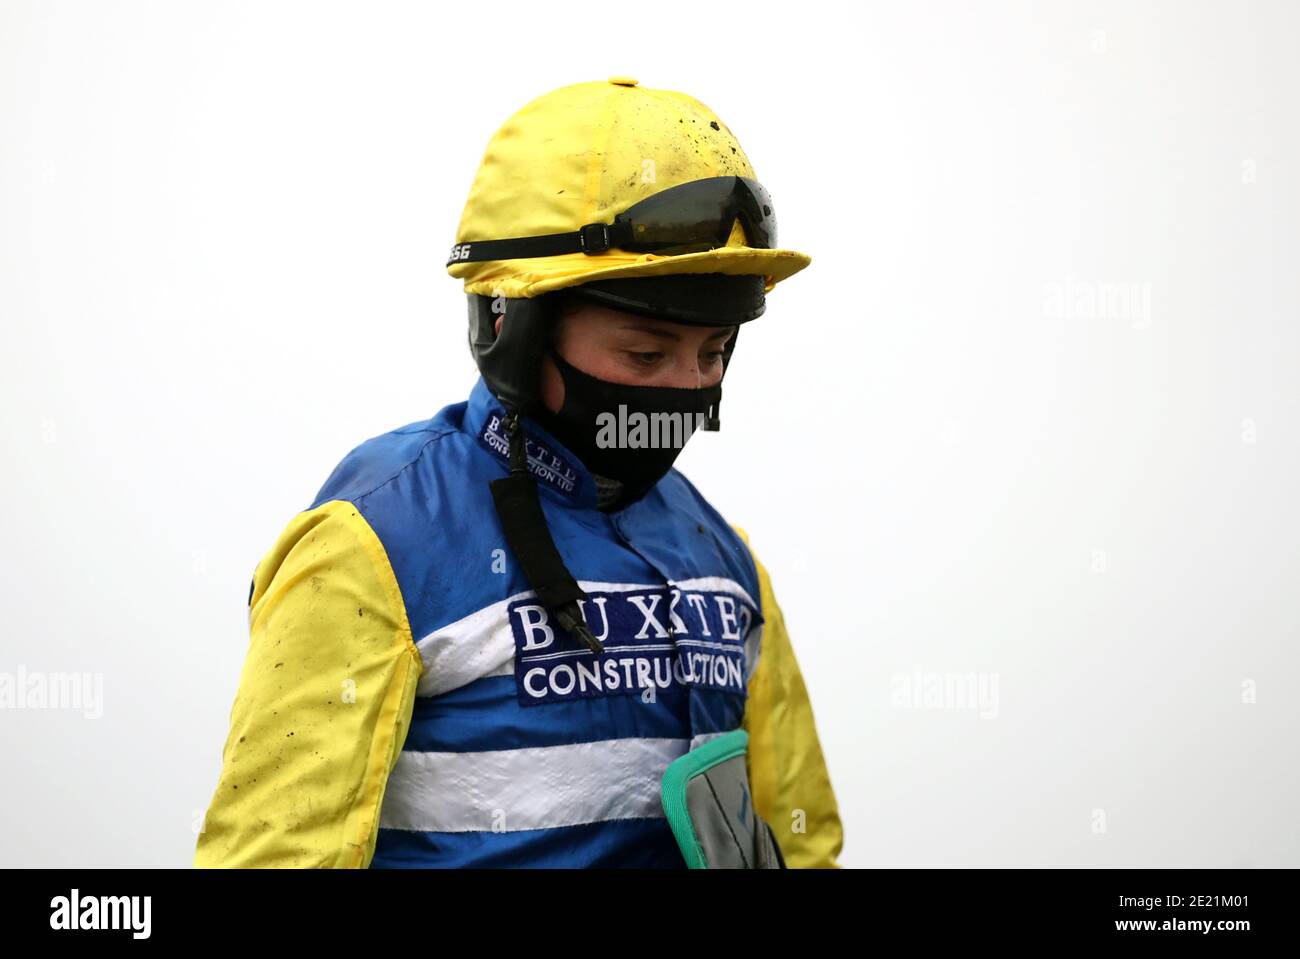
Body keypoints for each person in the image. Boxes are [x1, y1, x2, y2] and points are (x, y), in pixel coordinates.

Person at [194, 77, 842, 868]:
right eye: (644, 353)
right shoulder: (374, 545)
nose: (685, 386)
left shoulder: (725, 559)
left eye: (712, 354)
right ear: (513, 327)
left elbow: (802, 843)